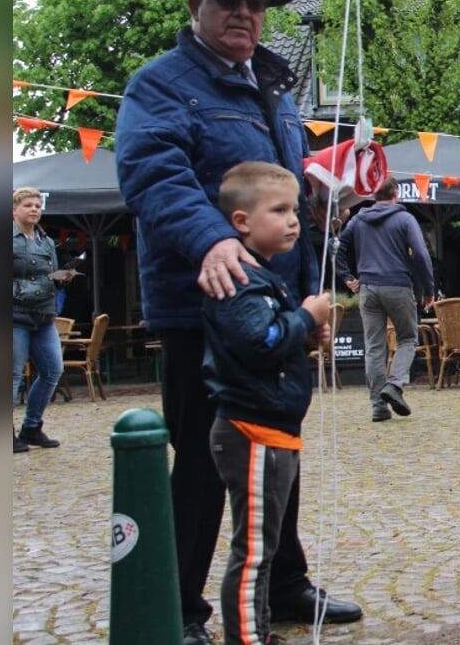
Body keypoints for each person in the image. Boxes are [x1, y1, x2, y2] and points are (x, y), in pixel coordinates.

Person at [115, 0, 361, 643]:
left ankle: (283, 585)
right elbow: (152, 174)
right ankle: (181, 607)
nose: (244, 13)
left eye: (255, 4)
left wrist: (316, 215)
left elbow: (276, 191)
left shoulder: (274, 89)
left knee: (278, 440)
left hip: (279, 301)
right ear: (196, 6)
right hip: (206, 301)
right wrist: (212, 238)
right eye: (228, 0)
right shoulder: (158, 85)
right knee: (200, 454)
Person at [201, 163, 333, 645]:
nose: (293, 220)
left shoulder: (267, 277)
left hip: (274, 430)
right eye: (279, 210)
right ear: (241, 221)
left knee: (266, 543)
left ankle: (257, 629)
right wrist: (304, 316)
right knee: (254, 550)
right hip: (251, 431)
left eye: (294, 209)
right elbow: (259, 341)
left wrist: (305, 337)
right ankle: (246, 639)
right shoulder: (239, 280)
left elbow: (272, 345)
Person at [337, 177, 435, 422]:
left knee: (374, 347)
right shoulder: (405, 219)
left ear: (372, 195)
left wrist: (347, 276)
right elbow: (421, 254)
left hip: (368, 288)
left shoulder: (359, 219)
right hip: (398, 285)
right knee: (408, 338)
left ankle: (378, 407)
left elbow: (337, 246)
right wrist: (428, 289)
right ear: (396, 193)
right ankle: (395, 384)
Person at [12, 187, 77, 452]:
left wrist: (62, 278)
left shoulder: (46, 241)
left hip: (43, 315)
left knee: (52, 370)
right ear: (14, 208)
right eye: (28, 205)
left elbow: (46, 277)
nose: (35, 209)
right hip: (13, 314)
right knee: (12, 375)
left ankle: (32, 427)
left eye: (38, 205)